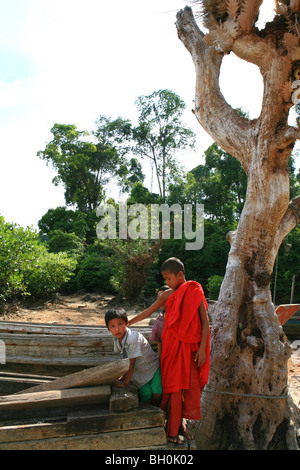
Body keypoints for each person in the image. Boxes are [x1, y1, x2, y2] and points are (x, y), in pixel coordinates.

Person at [128, 257, 210, 445]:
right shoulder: (167, 295)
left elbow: (205, 322)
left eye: (168, 278)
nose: (166, 282)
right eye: (164, 279)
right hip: (171, 350)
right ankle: (172, 429)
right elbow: (148, 312)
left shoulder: (194, 290)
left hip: (190, 349)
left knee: (186, 389)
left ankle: (181, 425)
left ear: (180, 275)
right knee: (173, 388)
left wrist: (203, 350)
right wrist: (129, 322)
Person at [105, 307, 162, 406]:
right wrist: (123, 376)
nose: (117, 329)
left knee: (157, 392)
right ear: (108, 329)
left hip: (152, 368)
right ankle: (148, 413)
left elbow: (131, 363)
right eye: (112, 326)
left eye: (120, 324)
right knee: (146, 396)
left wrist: (125, 383)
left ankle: (159, 412)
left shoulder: (132, 338)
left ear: (127, 323)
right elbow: (125, 358)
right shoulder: (116, 338)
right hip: (138, 373)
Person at [149, 285, 171, 358]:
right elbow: (159, 340)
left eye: (163, 298)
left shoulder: (180, 315)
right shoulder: (160, 318)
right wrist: (160, 358)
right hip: (166, 355)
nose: (160, 301)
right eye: (159, 298)